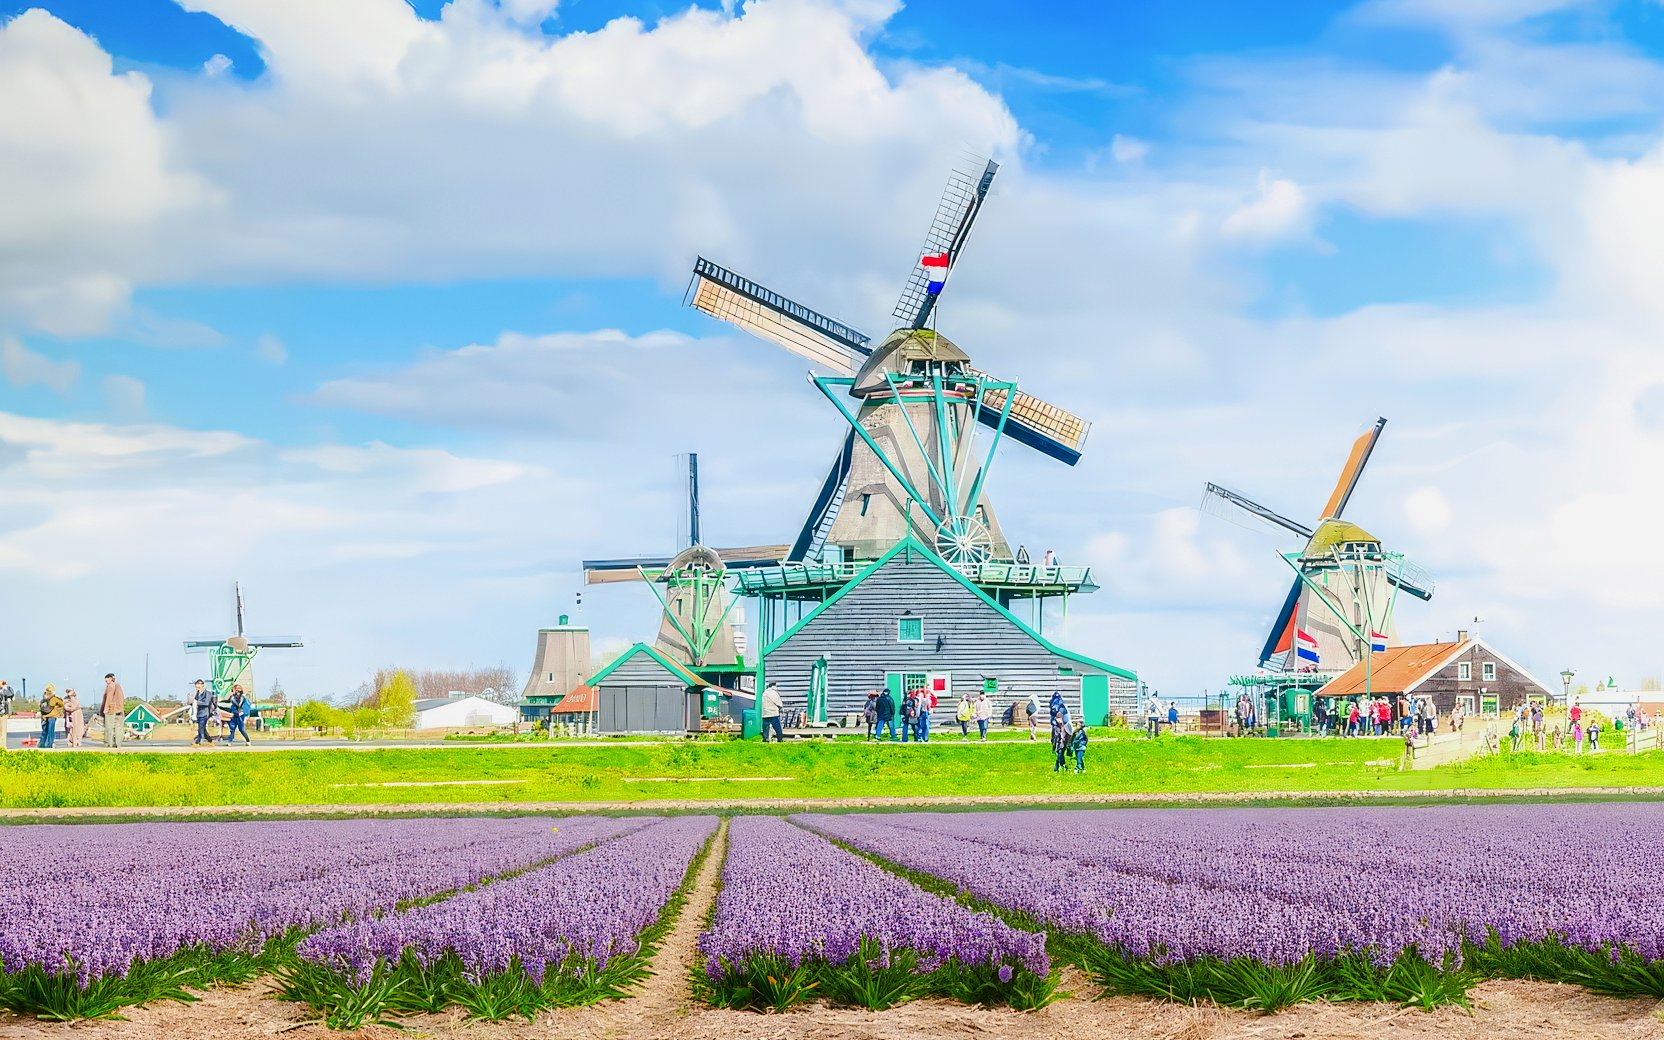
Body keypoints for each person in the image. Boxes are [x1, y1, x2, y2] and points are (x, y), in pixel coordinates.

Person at [99, 673, 125, 749]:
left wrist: (105, 709)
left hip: (111, 710)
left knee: (109, 728)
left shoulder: (110, 686)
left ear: (110, 678)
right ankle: (118, 744)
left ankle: (109, 744)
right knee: (119, 728)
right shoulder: (118, 686)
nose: (105, 681)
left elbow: (109, 698)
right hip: (119, 709)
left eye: (106, 679)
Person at [191, 680, 217, 746]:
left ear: (202, 685)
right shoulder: (197, 693)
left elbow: (206, 703)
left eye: (198, 687)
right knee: (203, 728)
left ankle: (197, 741)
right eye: (196, 687)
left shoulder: (208, 693)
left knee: (200, 728)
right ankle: (210, 740)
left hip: (205, 713)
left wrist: (197, 703)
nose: (197, 689)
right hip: (199, 713)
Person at [39, 685, 63, 749]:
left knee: (44, 731)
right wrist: (58, 709)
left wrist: (43, 716)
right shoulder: (54, 698)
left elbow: (41, 708)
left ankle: (41, 744)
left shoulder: (43, 699)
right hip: (52, 716)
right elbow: (61, 704)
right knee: (50, 731)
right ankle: (49, 745)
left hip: (44, 717)